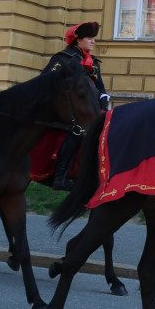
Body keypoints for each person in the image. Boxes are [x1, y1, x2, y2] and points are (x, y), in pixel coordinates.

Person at [49, 21, 109, 190]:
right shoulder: (63, 59)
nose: (93, 41)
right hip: (66, 108)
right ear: (78, 40)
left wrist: (103, 96)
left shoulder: (92, 62)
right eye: (89, 38)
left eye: (93, 38)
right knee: (78, 131)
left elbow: (100, 86)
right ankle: (60, 177)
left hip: (88, 107)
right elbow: (46, 82)